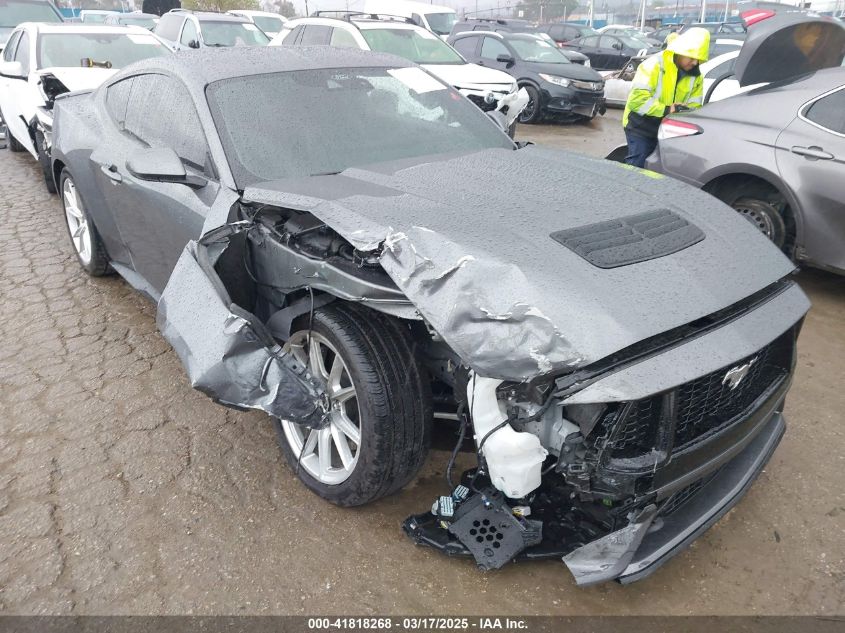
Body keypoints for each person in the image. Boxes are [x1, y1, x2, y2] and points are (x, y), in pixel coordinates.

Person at [622, 27, 710, 168]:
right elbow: (637, 102)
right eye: (692, 57)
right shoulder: (653, 65)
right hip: (640, 125)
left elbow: (695, 106)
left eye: (698, 59)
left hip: (668, 129)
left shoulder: (696, 76)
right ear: (680, 51)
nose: (694, 63)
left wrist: (685, 111)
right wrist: (668, 109)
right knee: (637, 165)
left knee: (660, 168)